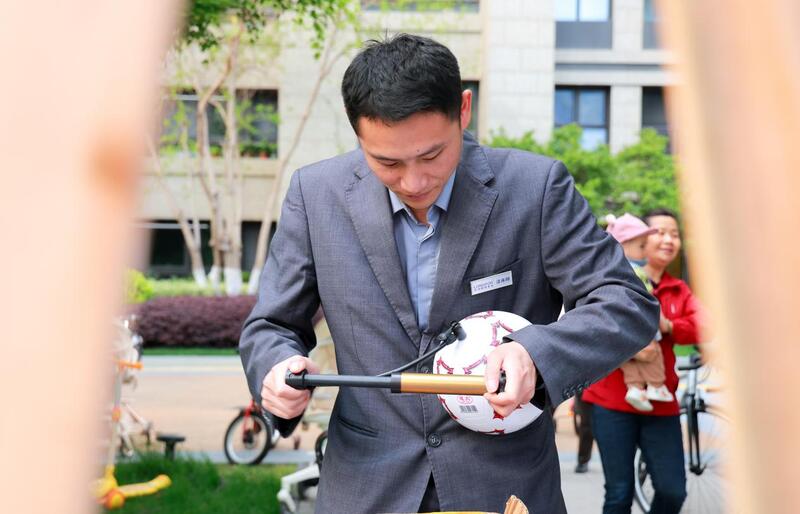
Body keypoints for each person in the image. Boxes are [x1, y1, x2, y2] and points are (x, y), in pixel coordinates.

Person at [239, 34, 659, 514]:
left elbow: (626, 302)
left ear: (463, 109)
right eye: (387, 162)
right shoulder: (316, 195)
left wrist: (536, 352)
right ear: (358, 134)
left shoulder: (535, 188)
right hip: (365, 487)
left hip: (504, 487)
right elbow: (271, 325)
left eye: (432, 155)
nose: (414, 182)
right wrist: (277, 370)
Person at [583, 208, 705, 514]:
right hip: (611, 402)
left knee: (672, 491)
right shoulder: (611, 279)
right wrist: (634, 346)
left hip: (661, 405)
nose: (668, 240)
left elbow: (703, 327)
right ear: (639, 239)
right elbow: (593, 325)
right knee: (619, 493)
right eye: (660, 233)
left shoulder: (678, 289)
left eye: (674, 234)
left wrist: (669, 326)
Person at [606, 213, 674, 412]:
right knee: (654, 353)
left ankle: (635, 387)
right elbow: (649, 298)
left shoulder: (608, 271)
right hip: (640, 322)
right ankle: (656, 385)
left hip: (618, 328)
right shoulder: (636, 271)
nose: (645, 251)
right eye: (642, 246)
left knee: (627, 359)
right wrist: (662, 320)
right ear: (623, 245)